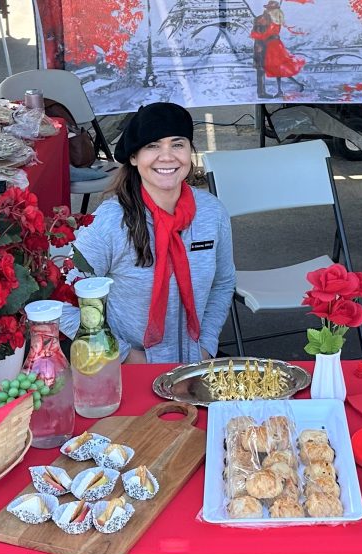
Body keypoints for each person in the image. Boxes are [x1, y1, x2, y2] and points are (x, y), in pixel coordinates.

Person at [70, 102, 236, 364]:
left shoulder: (211, 213)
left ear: (190, 152)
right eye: (152, 146)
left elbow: (223, 283)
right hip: (128, 368)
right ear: (134, 157)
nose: (167, 156)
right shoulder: (110, 222)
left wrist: (206, 345)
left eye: (177, 144)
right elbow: (65, 299)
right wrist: (123, 355)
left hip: (194, 363)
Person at [250, 0, 305, 97]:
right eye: (268, 9)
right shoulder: (273, 20)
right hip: (274, 46)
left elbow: (265, 35)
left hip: (274, 47)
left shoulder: (273, 23)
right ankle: (283, 89)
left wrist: (255, 34)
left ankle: (293, 86)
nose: (268, 10)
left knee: (278, 68)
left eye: (269, 9)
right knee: (278, 69)